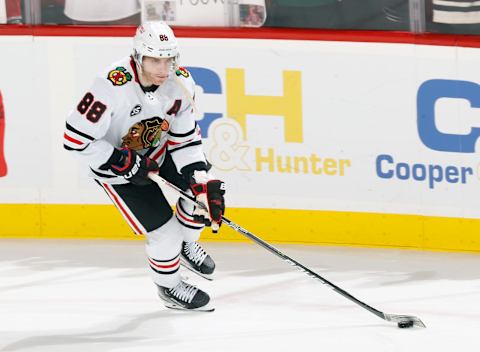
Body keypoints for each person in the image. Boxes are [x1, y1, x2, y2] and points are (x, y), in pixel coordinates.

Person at [64, 21, 226, 312]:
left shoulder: (181, 82)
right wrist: (118, 159)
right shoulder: (110, 85)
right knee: (166, 234)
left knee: (200, 194)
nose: (163, 69)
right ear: (138, 56)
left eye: (168, 59)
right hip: (116, 171)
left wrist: (198, 176)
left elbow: (185, 140)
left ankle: (187, 245)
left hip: (159, 153)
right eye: (154, 60)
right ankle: (170, 286)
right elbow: (74, 139)